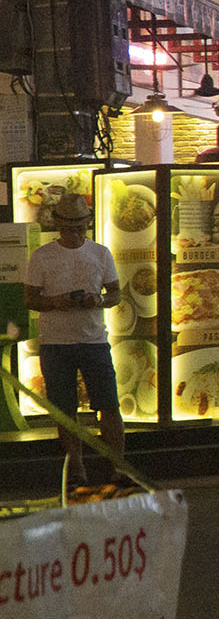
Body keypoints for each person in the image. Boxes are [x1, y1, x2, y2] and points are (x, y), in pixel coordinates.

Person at [24, 194, 124, 489]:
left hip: (94, 339)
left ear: (87, 225)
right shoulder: (42, 256)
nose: (75, 234)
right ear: (58, 227)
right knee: (65, 410)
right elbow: (31, 299)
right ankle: (76, 466)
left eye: (80, 228)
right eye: (69, 228)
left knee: (109, 404)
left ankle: (117, 465)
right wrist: (55, 302)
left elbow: (116, 293)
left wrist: (100, 299)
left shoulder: (101, 253)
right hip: (56, 342)